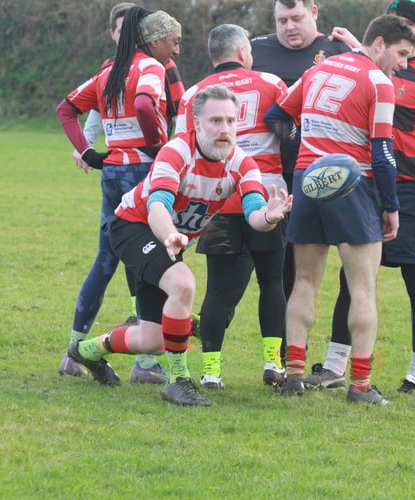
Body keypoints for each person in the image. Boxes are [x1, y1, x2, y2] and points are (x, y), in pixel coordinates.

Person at [67, 85, 293, 407]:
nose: (224, 129)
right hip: (133, 227)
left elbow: (255, 213)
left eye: (231, 121)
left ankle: (87, 351)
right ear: (196, 123)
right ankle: (178, 382)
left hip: (168, 240)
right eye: (215, 121)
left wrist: (269, 216)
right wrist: (170, 233)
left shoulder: (243, 164)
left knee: (154, 339)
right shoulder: (176, 151)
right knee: (183, 282)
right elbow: (158, 203)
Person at [303, 0, 415, 394]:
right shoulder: (377, 67)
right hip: (375, 187)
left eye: (406, 21)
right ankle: (334, 367)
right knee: (353, 280)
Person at [266, 14, 415, 404]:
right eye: (401, 54)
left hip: (308, 182)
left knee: (303, 283)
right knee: (362, 288)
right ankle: (361, 386)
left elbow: (278, 116)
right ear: (379, 43)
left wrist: (305, 151)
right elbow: (383, 153)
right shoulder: (379, 83)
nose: (404, 63)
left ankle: (294, 376)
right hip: (355, 186)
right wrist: (391, 206)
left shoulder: (321, 67)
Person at [55, 7, 182, 383]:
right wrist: (157, 145)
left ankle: (73, 353)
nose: (174, 54)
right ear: (155, 40)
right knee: (153, 260)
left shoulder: (108, 71)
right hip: (141, 172)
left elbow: (66, 109)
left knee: (106, 259)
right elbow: (145, 103)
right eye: (173, 44)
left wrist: (88, 152)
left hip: (111, 171)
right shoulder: (150, 68)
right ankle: (146, 365)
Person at [175, 24, 290, 389]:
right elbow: (289, 133)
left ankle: (211, 371)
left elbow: (182, 150)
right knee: (273, 282)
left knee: (218, 290)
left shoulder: (194, 95)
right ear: (243, 53)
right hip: (267, 197)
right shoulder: (272, 83)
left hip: (218, 199)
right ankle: (273, 364)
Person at [251, 0, 352, 336]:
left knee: (343, 262)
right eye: (282, 20)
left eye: (296, 18)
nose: (289, 27)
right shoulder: (255, 50)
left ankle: (336, 350)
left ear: (314, 12)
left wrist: (358, 48)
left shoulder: (337, 49)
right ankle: (283, 353)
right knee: (277, 268)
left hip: (329, 175)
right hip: (267, 178)